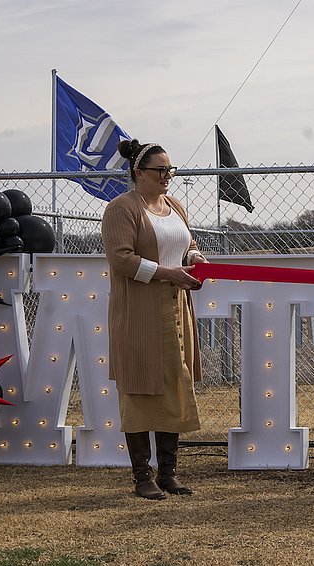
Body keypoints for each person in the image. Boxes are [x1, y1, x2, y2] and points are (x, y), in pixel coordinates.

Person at [102, 139, 206, 500]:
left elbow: (185, 245)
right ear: (138, 172)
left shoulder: (173, 205)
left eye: (170, 170)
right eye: (160, 170)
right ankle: (142, 476)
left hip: (176, 308)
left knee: (172, 383)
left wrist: (195, 257)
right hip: (140, 311)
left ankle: (168, 473)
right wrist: (169, 273)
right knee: (140, 386)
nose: (167, 177)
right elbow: (122, 259)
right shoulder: (122, 208)